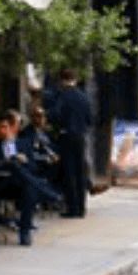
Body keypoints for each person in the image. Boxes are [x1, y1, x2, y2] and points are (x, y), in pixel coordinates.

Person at [0, 110, 41, 245]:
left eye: (4, 127)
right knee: (22, 175)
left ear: (12, 128)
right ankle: (48, 193)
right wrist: (4, 162)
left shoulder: (24, 144)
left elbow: (34, 168)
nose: (1, 131)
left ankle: (24, 231)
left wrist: (25, 161)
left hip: (19, 185)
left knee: (28, 187)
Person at [47, 69, 93, 218]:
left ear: (62, 80)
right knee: (80, 172)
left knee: (69, 172)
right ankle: (81, 207)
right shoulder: (84, 97)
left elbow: (55, 115)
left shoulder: (62, 96)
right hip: (81, 136)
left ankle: (72, 208)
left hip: (66, 135)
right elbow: (90, 119)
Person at [16, 103, 62, 201]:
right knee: (63, 167)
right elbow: (30, 152)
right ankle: (51, 195)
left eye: (43, 116)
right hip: (40, 163)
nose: (41, 119)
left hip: (54, 160)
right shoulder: (27, 133)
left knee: (73, 164)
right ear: (32, 118)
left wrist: (56, 155)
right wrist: (46, 158)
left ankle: (88, 187)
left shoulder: (46, 132)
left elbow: (53, 147)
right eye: (38, 116)